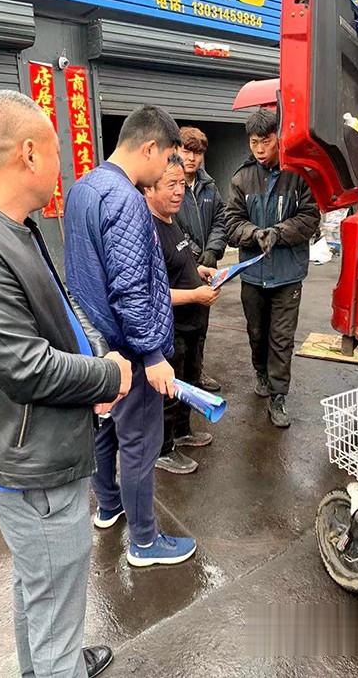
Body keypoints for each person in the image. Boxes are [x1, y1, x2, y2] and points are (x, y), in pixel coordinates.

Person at [0, 90, 133, 678]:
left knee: (41, 585)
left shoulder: (10, 225)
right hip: (30, 460)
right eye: (56, 154)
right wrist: (108, 374)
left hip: (35, 442)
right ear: (28, 153)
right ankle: (56, 666)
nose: (61, 169)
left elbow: (59, 305)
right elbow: (24, 367)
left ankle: (50, 664)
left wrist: (93, 355)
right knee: (54, 599)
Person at [64, 106, 197, 567]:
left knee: (104, 428)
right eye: (168, 159)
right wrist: (153, 354)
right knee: (140, 443)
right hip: (130, 349)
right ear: (149, 147)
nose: (169, 170)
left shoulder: (83, 188)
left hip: (98, 346)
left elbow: (82, 274)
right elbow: (131, 288)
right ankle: (144, 541)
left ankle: (108, 506)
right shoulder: (126, 200)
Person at [225, 108, 320, 428]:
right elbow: (231, 223)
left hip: (287, 274)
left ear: (279, 139)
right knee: (256, 332)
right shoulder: (241, 178)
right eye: (254, 143)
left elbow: (310, 218)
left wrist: (279, 233)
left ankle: (279, 396)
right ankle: (261, 373)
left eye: (266, 141)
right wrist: (254, 234)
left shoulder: (299, 175)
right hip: (253, 275)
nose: (260, 149)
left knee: (281, 338)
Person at [144, 155, 221, 475]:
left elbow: (179, 264)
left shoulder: (171, 220)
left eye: (181, 183)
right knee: (170, 391)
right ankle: (163, 449)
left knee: (189, 383)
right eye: (171, 184)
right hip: (171, 329)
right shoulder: (148, 231)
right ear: (149, 189)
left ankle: (182, 432)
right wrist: (194, 295)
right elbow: (151, 292)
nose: (179, 191)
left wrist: (199, 270)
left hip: (192, 325)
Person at [177, 126, 227, 393]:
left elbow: (221, 220)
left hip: (207, 268)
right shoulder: (171, 183)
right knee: (180, 328)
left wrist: (213, 251)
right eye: (186, 151)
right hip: (181, 268)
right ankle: (181, 379)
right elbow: (171, 225)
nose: (191, 158)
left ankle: (197, 373)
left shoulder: (209, 186)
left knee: (201, 325)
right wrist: (196, 254)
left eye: (197, 153)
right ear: (176, 150)